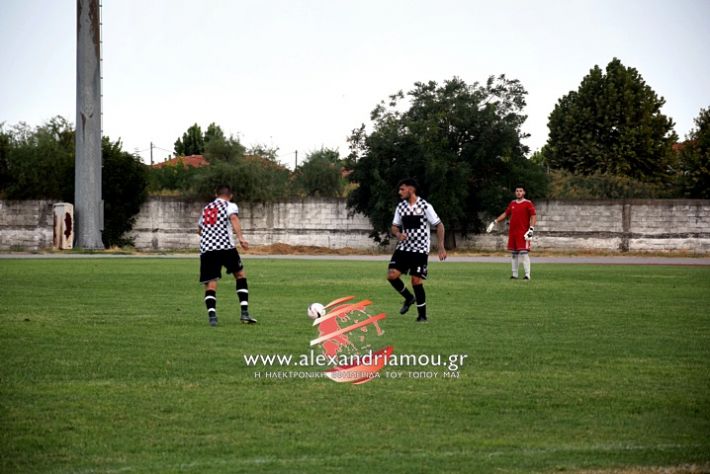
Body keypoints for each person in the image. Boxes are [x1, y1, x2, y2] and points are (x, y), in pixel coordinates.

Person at [387, 178, 447, 322]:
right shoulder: (400, 207)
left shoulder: (425, 206)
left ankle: (422, 316)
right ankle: (409, 298)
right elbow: (394, 226)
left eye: (402, 189)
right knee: (392, 275)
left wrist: (441, 247)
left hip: (420, 248)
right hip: (404, 247)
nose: (399, 192)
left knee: (416, 280)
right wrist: (398, 234)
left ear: (411, 190)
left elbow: (439, 226)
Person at [197, 184, 256, 326]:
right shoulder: (230, 206)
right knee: (240, 275)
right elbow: (234, 219)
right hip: (225, 247)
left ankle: (212, 317)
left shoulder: (206, 209)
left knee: (211, 283)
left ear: (215, 193)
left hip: (207, 249)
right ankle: (244, 313)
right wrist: (241, 237)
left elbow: (199, 229)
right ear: (230, 195)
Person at [487, 185, 537, 280]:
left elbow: (533, 216)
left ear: (524, 192)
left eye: (520, 191)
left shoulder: (528, 203)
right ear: (515, 192)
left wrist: (531, 229)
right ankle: (514, 275)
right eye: (517, 191)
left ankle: (527, 275)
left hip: (523, 233)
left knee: (524, 253)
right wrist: (494, 222)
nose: (519, 192)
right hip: (513, 232)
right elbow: (506, 214)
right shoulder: (512, 203)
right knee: (514, 254)